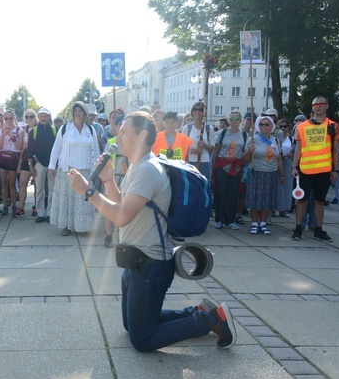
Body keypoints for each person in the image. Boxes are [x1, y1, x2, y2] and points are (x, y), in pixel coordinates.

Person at [67, 111, 236, 352]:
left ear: (143, 134)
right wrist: (107, 181)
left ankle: (211, 320)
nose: (118, 136)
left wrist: (88, 191)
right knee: (132, 326)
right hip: (137, 259)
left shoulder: (147, 170)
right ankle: (197, 311)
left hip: (151, 264)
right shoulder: (139, 166)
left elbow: (121, 217)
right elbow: (124, 206)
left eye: (124, 131)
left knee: (142, 340)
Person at [291, 96, 339, 241]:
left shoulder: (333, 126)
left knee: (320, 201)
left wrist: (336, 170)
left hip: (324, 170)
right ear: (312, 107)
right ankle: (298, 229)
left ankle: (318, 229)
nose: (318, 106)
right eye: (315, 104)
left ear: (327, 106)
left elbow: (336, 149)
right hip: (305, 169)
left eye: (321, 104)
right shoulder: (302, 126)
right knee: (302, 200)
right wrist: (293, 167)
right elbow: (298, 149)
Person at [48, 101, 101, 236]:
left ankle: (83, 227)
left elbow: (96, 149)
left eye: (80, 111)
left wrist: (97, 168)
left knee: (83, 199)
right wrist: (51, 167)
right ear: (72, 113)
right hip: (67, 170)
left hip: (86, 171)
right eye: (75, 111)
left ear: (84, 113)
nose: (78, 113)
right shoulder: (65, 128)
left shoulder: (90, 130)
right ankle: (66, 226)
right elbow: (56, 148)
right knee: (67, 199)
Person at [245, 116, 284, 235]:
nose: (264, 127)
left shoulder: (275, 141)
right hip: (256, 172)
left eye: (267, 124)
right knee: (255, 199)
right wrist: (249, 151)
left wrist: (282, 174)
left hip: (271, 173)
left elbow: (279, 159)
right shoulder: (253, 139)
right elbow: (244, 159)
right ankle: (254, 223)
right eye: (261, 124)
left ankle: (263, 223)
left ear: (271, 126)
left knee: (267, 199)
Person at [211, 111, 248, 230]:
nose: (234, 121)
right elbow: (216, 151)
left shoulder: (244, 135)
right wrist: (213, 167)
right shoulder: (222, 133)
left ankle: (230, 220)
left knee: (233, 194)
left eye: (236, 118)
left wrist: (250, 151)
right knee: (220, 193)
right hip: (222, 165)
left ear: (240, 120)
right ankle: (219, 219)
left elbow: (245, 152)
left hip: (236, 167)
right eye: (231, 119)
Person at [102, 114, 129, 247]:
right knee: (109, 206)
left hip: (126, 178)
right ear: (116, 126)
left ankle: (121, 235)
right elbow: (105, 160)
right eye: (119, 125)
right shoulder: (111, 142)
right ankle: (108, 234)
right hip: (113, 178)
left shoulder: (132, 142)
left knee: (124, 208)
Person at [26, 107, 57, 223]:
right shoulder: (33, 131)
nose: (43, 118)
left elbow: (58, 148)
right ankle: (40, 213)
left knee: (52, 190)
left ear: (49, 117)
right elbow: (29, 150)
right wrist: (30, 166)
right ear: (38, 117)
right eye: (41, 116)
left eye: (46, 116)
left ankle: (50, 213)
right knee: (39, 189)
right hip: (38, 163)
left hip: (52, 165)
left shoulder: (54, 130)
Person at [0, 110, 22, 215]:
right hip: (2, 156)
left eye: (10, 118)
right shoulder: (1, 130)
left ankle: (14, 206)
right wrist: (4, 134)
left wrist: (12, 135)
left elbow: (19, 147)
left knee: (12, 183)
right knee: (3, 183)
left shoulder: (19, 130)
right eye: (6, 118)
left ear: (14, 119)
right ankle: (5, 206)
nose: (8, 120)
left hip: (13, 157)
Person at [181, 101, 215, 178]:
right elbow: (182, 148)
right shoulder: (187, 128)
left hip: (204, 161)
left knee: (203, 185)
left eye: (200, 110)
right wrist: (193, 150)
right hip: (190, 161)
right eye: (195, 109)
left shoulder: (209, 128)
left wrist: (205, 146)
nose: (197, 112)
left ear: (204, 112)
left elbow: (212, 147)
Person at [16, 109, 38, 217]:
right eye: (27, 117)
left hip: (37, 159)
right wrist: (19, 164)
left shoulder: (39, 129)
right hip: (26, 158)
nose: (29, 119)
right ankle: (21, 207)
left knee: (37, 185)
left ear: (35, 117)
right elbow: (23, 148)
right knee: (22, 183)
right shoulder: (24, 130)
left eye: (32, 116)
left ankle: (37, 206)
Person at [275, 119, 295, 217]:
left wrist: (291, 155)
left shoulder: (291, 139)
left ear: (288, 128)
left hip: (287, 163)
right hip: (277, 162)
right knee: (276, 185)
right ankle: (273, 208)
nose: (283, 128)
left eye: (285, 126)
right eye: (280, 126)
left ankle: (284, 208)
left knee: (286, 186)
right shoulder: (275, 138)